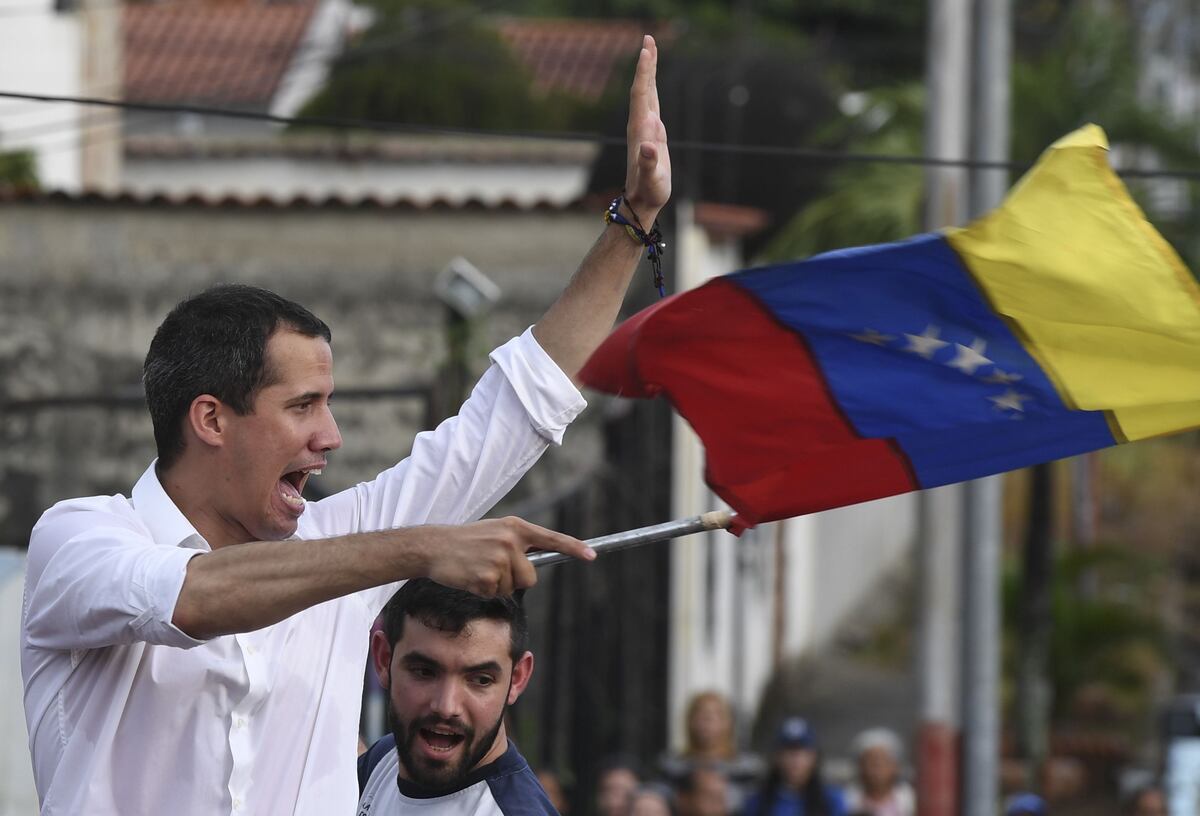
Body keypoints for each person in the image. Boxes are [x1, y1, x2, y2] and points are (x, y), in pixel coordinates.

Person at [20, 34, 671, 816]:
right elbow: (189, 599)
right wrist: (421, 548)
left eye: (330, 406)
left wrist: (631, 221)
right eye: (302, 408)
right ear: (210, 420)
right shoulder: (78, 540)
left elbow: (518, 408)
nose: (330, 439)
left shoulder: (339, 549)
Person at [356, 579, 554, 813]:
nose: (446, 706)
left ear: (517, 678)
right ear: (383, 659)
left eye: (481, 680)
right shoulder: (384, 759)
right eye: (424, 672)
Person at [661, 691, 764, 810]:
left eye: (713, 716)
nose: (706, 723)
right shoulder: (673, 766)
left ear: (728, 722)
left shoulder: (749, 768)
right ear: (689, 721)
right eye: (700, 716)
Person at [742, 718, 846, 816]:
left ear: (815, 757)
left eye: (802, 753)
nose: (795, 760)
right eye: (789, 752)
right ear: (776, 757)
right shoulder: (758, 802)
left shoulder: (831, 801)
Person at [842, 728, 914, 816]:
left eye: (884, 761)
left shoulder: (911, 800)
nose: (877, 767)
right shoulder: (846, 800)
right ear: (860, 766)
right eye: (871, 762)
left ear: (896, 766)